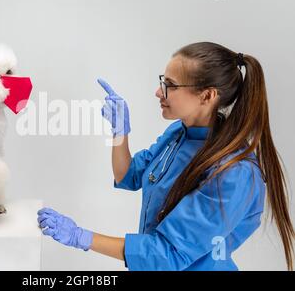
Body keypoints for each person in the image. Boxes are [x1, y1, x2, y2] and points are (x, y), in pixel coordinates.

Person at [37, 42, 294, 270]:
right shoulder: (178, 133)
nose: (159, 92)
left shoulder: (234, 173)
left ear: (207, 95)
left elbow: (165, 254)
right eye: (163, 82)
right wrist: (119, 133)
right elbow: (127, 175)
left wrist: (81, 237)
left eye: (169, 85)